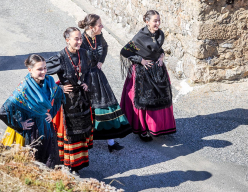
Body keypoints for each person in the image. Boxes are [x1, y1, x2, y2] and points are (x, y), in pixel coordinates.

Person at [0, 54, 65, 168]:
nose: (44, 71)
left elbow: (60, 96)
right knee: (32, 163)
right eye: (39, 69)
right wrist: (20, 124)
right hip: (31, 132)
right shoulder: (23, 88)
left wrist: (52, 113)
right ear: (30, 70)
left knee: (49, 164)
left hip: (47, 129)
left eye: (45, 68)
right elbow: (3, 112)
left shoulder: (49, 82)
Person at [120, 10, 176, 142]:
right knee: (145, 101)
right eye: (155, 21)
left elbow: (158, 49)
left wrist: (161, 56)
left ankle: (158, 127)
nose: (158, 23)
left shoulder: (160, 34)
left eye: (159, 20)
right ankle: (142, 130)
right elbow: (125, 51)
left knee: (161, 99)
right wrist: (141, 60)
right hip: (143, 72)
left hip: (158, 71)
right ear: (147, 22)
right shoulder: (139, 37)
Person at [79, 14, 131, 152]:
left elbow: (106, 47)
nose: (102, 27)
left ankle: (111, 142)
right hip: (85, 78)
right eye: (100, 25)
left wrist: (101, 61)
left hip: (97, 75)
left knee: (107, 105)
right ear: (91, 27)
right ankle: (84, 142)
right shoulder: (81, 40)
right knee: (87, 109)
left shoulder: (98, 37)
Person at [46, 27, 93, 172]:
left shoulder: (84, 53)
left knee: (81, 132)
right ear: (67, 40)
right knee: (70, 132)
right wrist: (57, 87)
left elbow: (89, 71)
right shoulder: (60, 57)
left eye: (80, 38)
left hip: (82, 99)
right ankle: (67, 164)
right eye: (76, 39)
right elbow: (41, 74)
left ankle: (77, 164)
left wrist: (87, 82)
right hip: (67, 102)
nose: (80, 41)